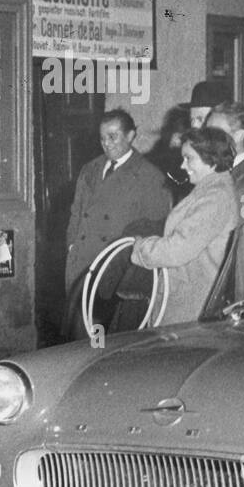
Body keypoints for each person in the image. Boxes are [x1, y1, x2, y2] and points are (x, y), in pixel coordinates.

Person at [61, 109, 170, 341]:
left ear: (131, 136)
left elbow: (155, 227)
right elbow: (76, 213)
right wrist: (71, 246)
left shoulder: (148, 175)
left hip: (112, 271)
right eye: (102, 138)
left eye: (113, 136)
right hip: (80, 264)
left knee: (101, 339)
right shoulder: (90, 169)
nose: (106, 144)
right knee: (76, 338)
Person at [130, 126, 239, 326]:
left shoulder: (216, 197)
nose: (182, 165)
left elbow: (177, 249)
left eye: (189, 158)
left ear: (212, 160)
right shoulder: (211, 190)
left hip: (192, 309)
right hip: (187, 303)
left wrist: (140, 248)